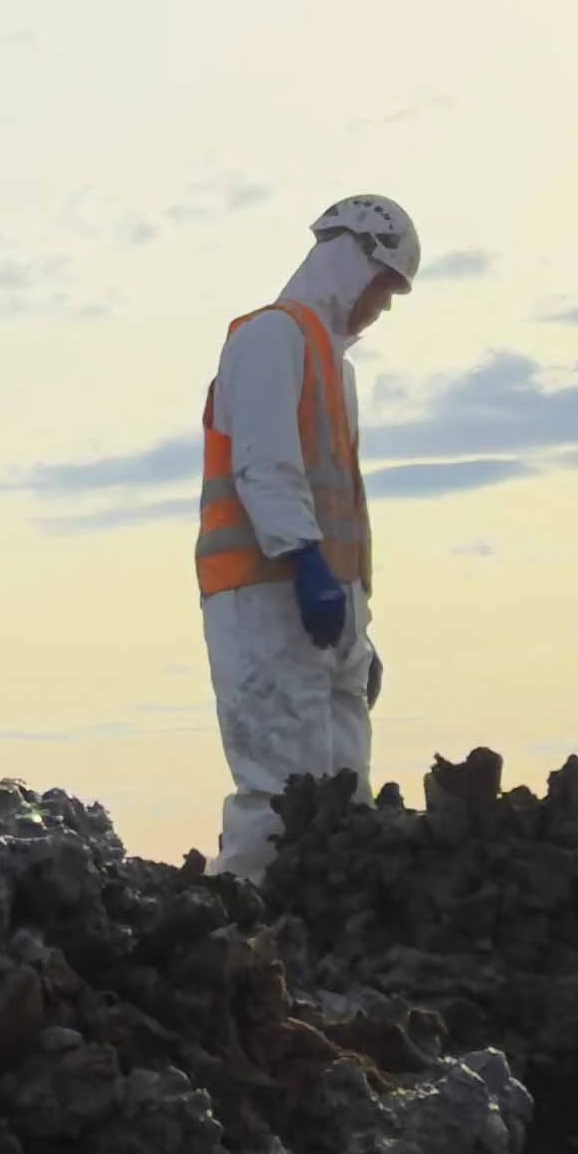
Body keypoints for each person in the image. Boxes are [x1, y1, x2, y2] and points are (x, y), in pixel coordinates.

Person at [196, 192, 415, 873]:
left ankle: (327, 954)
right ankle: (250, 937)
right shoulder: (269, 337)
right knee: (278, 797)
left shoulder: (332, 367)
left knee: (341, 801)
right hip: (265, 596)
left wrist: (356, 622)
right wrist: (305, 564)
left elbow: (335, 499)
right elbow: (264, 464)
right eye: (381, 289)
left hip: (322, 604)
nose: (378, 309)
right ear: (355, 258)